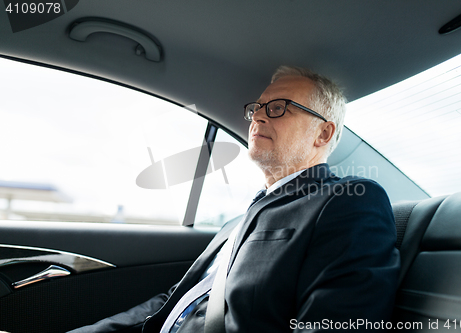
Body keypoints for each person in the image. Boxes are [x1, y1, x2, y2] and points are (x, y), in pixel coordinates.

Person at [71, 66, 400, 333]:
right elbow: (172, 302)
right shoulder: (235, 224)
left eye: (278, 108)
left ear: (323, 133)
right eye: (257, 109)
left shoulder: (349, 202)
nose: (258, 117)